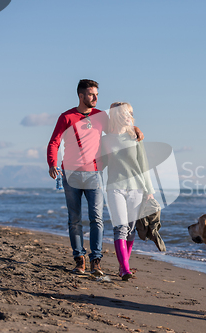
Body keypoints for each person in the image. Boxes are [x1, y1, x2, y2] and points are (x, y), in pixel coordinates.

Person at [47, 80, 143, 276]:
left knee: (96, 219)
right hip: (71, 175)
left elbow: (119, 127)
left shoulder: (100, 116)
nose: (96, 98)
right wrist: (52, 163)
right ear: (81, 96)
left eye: (97, 94)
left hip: (94, 174)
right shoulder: (66, 117)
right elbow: (54, 142)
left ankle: (96, 260)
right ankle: (79, 259)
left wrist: (136, 129)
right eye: (91, 94)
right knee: (74, 220)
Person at [101, 102, 155, 281]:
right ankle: (125, 269)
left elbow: (144, 164)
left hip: (136, 188)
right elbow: (99, 163)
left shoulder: (135, 137)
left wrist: (149, 189)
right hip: (114, 187)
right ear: (116, 115)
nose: (129, 116)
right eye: (125, 113)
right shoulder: (106, 139)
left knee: (131, 230)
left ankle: (123, 265)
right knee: (120, 228)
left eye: (130, 113)